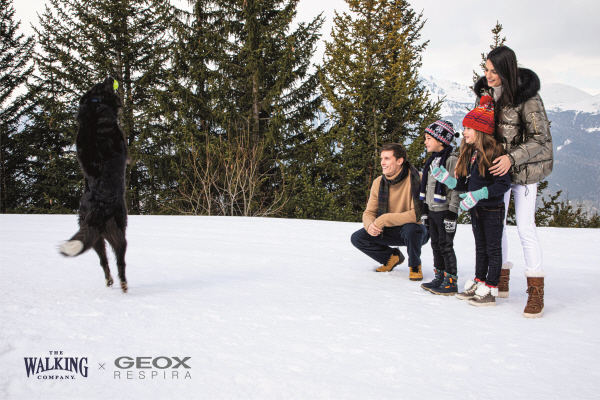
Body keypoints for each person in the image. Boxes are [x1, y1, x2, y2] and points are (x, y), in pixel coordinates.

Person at [475, 46, 553, 318]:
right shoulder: (485, 97)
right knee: (497, 224)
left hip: (523, 172)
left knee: (525, 227)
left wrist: (511, 158)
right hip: (497, 171)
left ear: (507, 70)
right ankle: (500, 278)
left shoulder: (528, 98)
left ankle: (536, 291)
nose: (488, 75)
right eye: (486, 70)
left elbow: (540, 139)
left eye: (494, 71)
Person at [431, 96, 510, 307]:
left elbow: (503, 185)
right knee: (480, 247)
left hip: (493, 209)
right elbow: (467, 187)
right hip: (477, 209)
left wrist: (481, 193)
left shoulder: (494, 153)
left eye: (468, 128)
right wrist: (448, 180)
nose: (464, 132)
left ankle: (491, 288)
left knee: (493, 249)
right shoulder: (473, 153)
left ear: (481, 130)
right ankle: (479, 281)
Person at [350, 143, 428, 281]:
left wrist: (384, 219)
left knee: (411, 230)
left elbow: (415, 215)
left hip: (416, 230)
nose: (382, 163)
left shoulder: (417, 179)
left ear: (399, 161)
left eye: (387, 158)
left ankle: (415, 265)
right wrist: (370, 225)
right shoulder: (378, 182)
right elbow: (369, 212)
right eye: (382, 159)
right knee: (358, 238)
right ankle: (391, 257)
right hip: (390, 230)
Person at [419, 120, 463, 295]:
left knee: (446, 245)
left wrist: (452, 212)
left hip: (445, 211)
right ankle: (440, 276)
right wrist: (425, 210)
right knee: (436, 244)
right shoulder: (432, 160)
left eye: (429, 138)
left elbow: (455, 187)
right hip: (432, 210)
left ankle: (451, 281)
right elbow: (428, 187)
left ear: (441, 140)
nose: (425, 142)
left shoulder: (451, 160)